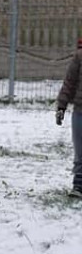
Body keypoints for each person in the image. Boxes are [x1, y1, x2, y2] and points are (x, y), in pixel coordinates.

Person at [55, 37, 82, 198]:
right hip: (80, 111)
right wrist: (61, 106)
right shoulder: (79, 57)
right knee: (80, 151)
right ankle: (79, 184)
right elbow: (69, 83)